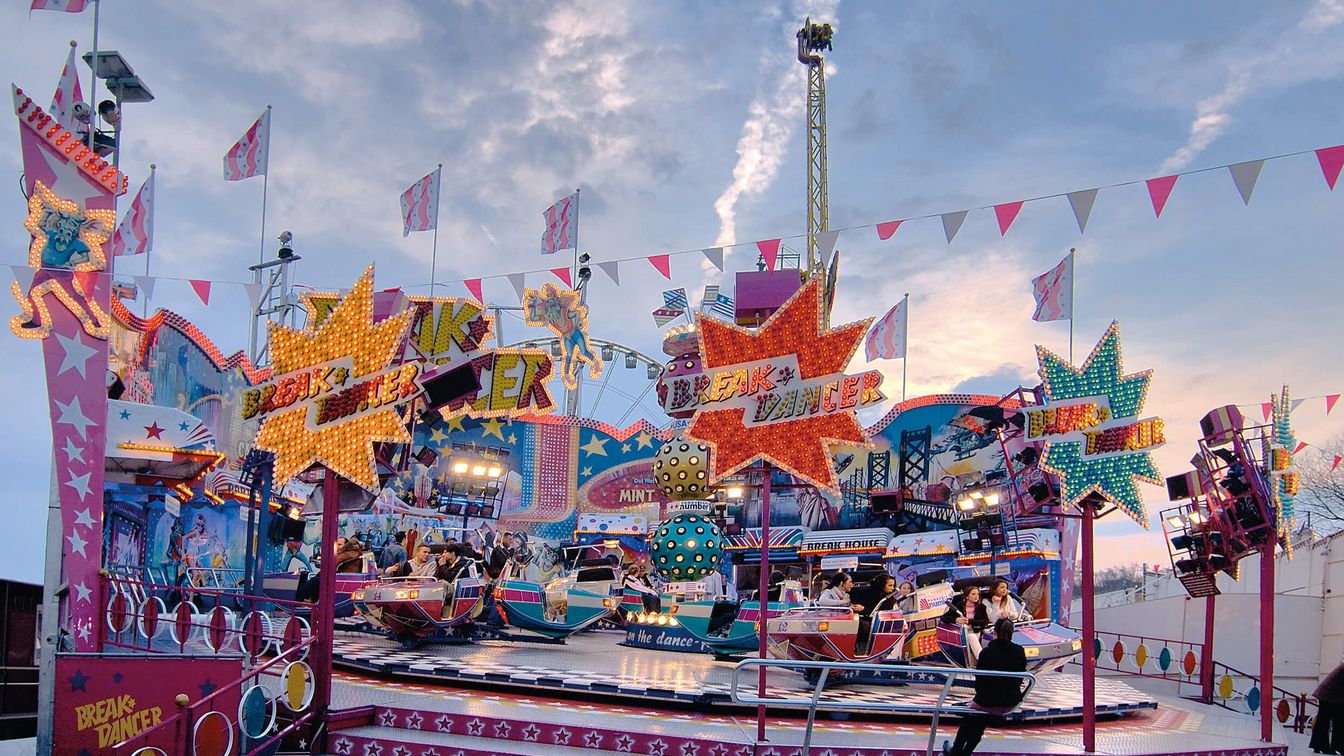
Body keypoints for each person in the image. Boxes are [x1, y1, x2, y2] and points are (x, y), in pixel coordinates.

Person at [943, 618, 1029, 755]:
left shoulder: (986, 653)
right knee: (978, 715)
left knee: (972, 716)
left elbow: (979, 682)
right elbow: (1020, 678)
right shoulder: (1019, 651)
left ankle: (957, 751)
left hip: (988, 701)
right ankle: (965, 752)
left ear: (994, 633)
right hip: (1011, 701)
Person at [941, 585, 989, 661]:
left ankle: (984, 660)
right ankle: (982, 661)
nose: (976, 596)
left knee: (977, 636)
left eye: (978, 594)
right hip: (961, 633)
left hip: (976, 630)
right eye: (973, 594)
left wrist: (970, 622)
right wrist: (956, 619)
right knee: (971, 636)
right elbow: (943, 618)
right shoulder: (958, 606)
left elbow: (985, 622)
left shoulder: (982, 607)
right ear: (966, 596)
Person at [1311, 655, 1344, 754]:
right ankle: (1336, 748)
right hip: (1330, 696)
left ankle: (1319, 746)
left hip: (1327, 694)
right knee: (1339, 722)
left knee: (1323, 720)